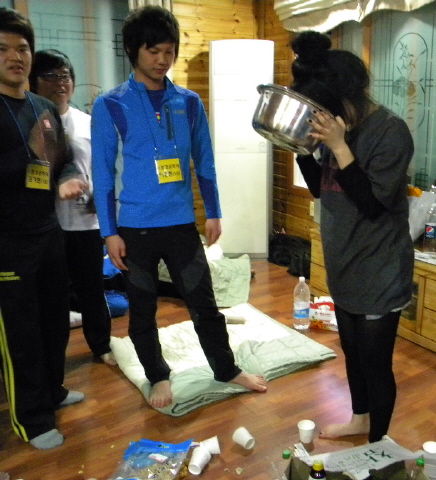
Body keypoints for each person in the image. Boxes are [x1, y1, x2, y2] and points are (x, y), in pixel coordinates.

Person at [91, 5, 267, 409]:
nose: (162, 60)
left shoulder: (188, 101)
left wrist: (214, 211)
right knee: (142, 310)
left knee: (205, 303)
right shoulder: (111, 104)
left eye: (169, 51)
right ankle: (158, 374)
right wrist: (109, 232)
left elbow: (204, 160)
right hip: (133, 227)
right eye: (153, 51)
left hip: (180, 223)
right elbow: (102, 174)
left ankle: (226, 369)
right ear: (133, 50)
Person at [292, 31, 414, 442]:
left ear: (348, 97)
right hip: (344, 264)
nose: (322, 119)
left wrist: (340, 147)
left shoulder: (390, 132)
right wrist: (304, 150)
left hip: (379, 270)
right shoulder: (338, 129)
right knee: (353, 354)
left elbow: (374, 204)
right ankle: (361, 419)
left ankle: (378, 444)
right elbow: (321, 188)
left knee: (375, 363)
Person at [0, 7, 88, 449]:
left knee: (55, 321)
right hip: (7, 243)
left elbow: (63, 158)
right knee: (22, 334)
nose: (15, 57)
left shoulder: (43, 107)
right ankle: (31, 420)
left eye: (22, 48)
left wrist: (68, 176)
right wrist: (27, 161)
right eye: (2, 49)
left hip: (49, 234)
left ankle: (53, 391)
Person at [29, 49, 116, 366]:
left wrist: (100, 198)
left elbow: (104, 169)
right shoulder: (31, 122)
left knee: (92, 289)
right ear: (35, 82)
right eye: (50, 76)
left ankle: (101, 345)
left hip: (85, 222)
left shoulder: (88, 123)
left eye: (65, 75)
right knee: (50, 294)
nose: (60, 83)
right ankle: (52, 356)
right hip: (47, 224)